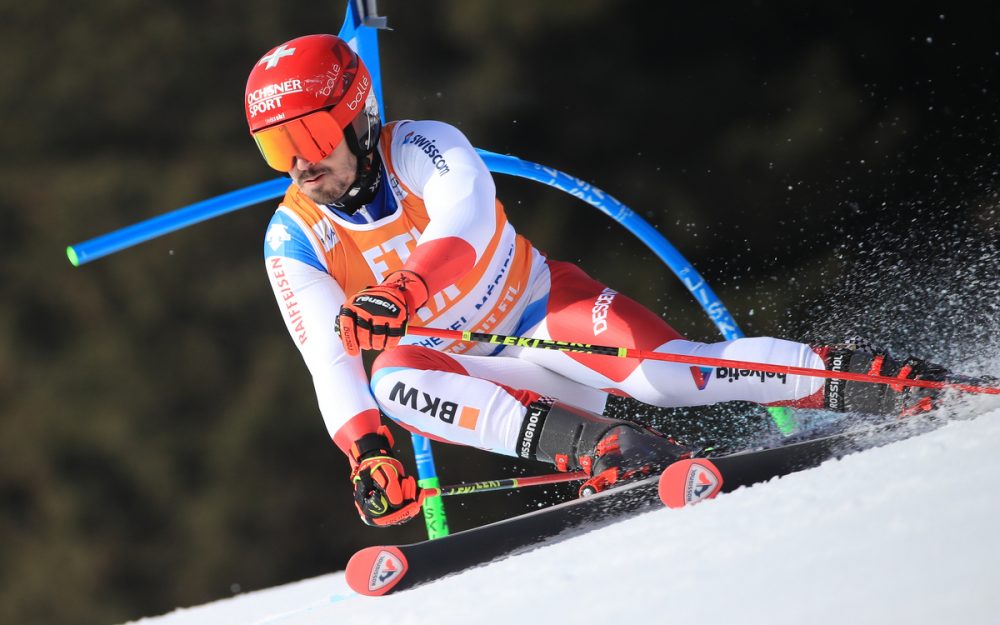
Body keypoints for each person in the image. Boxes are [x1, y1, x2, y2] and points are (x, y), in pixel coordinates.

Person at [245, 34, 952, 527]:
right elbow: (327, 357)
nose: (299, 166)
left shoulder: (424, 146)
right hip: (475, 372)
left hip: (540, 311)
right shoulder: (295, 236)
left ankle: (854, 376)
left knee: (671, 376)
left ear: (356, 116)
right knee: (392, 383)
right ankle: (606, 450)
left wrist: (401, 291)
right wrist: (368, 452)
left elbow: (461, 227)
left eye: (308, 138)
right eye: (276, 149)